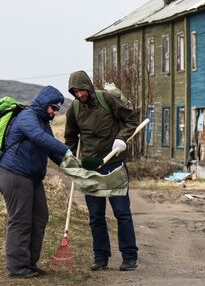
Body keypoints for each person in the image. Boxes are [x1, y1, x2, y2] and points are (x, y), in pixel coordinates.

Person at [64, 71, 139, 271]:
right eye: (75, 92)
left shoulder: (107, 99)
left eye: (81, 90)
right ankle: (100, 256)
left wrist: (122, 138)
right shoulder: (75, 109)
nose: (79, 95)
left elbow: (131, 119)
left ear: (88, 86)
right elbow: (71, 138)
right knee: (96, 216)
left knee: (122, 213)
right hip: (90, 167)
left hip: (114, 164)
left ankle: (130, 256)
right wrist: (71, 161)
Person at [0, 86, 72, 278]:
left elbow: (51, 151)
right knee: (21, 221)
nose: (54, 112)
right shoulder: (27, 117)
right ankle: (18, 267)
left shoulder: (44, 122)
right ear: (44, 103)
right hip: (14, 175)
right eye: (53, 108)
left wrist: (76, 167)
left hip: (32, 178)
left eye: (57, 109)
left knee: (39, 218)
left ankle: (29, 263)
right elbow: (39, 138)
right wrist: (66, 150)